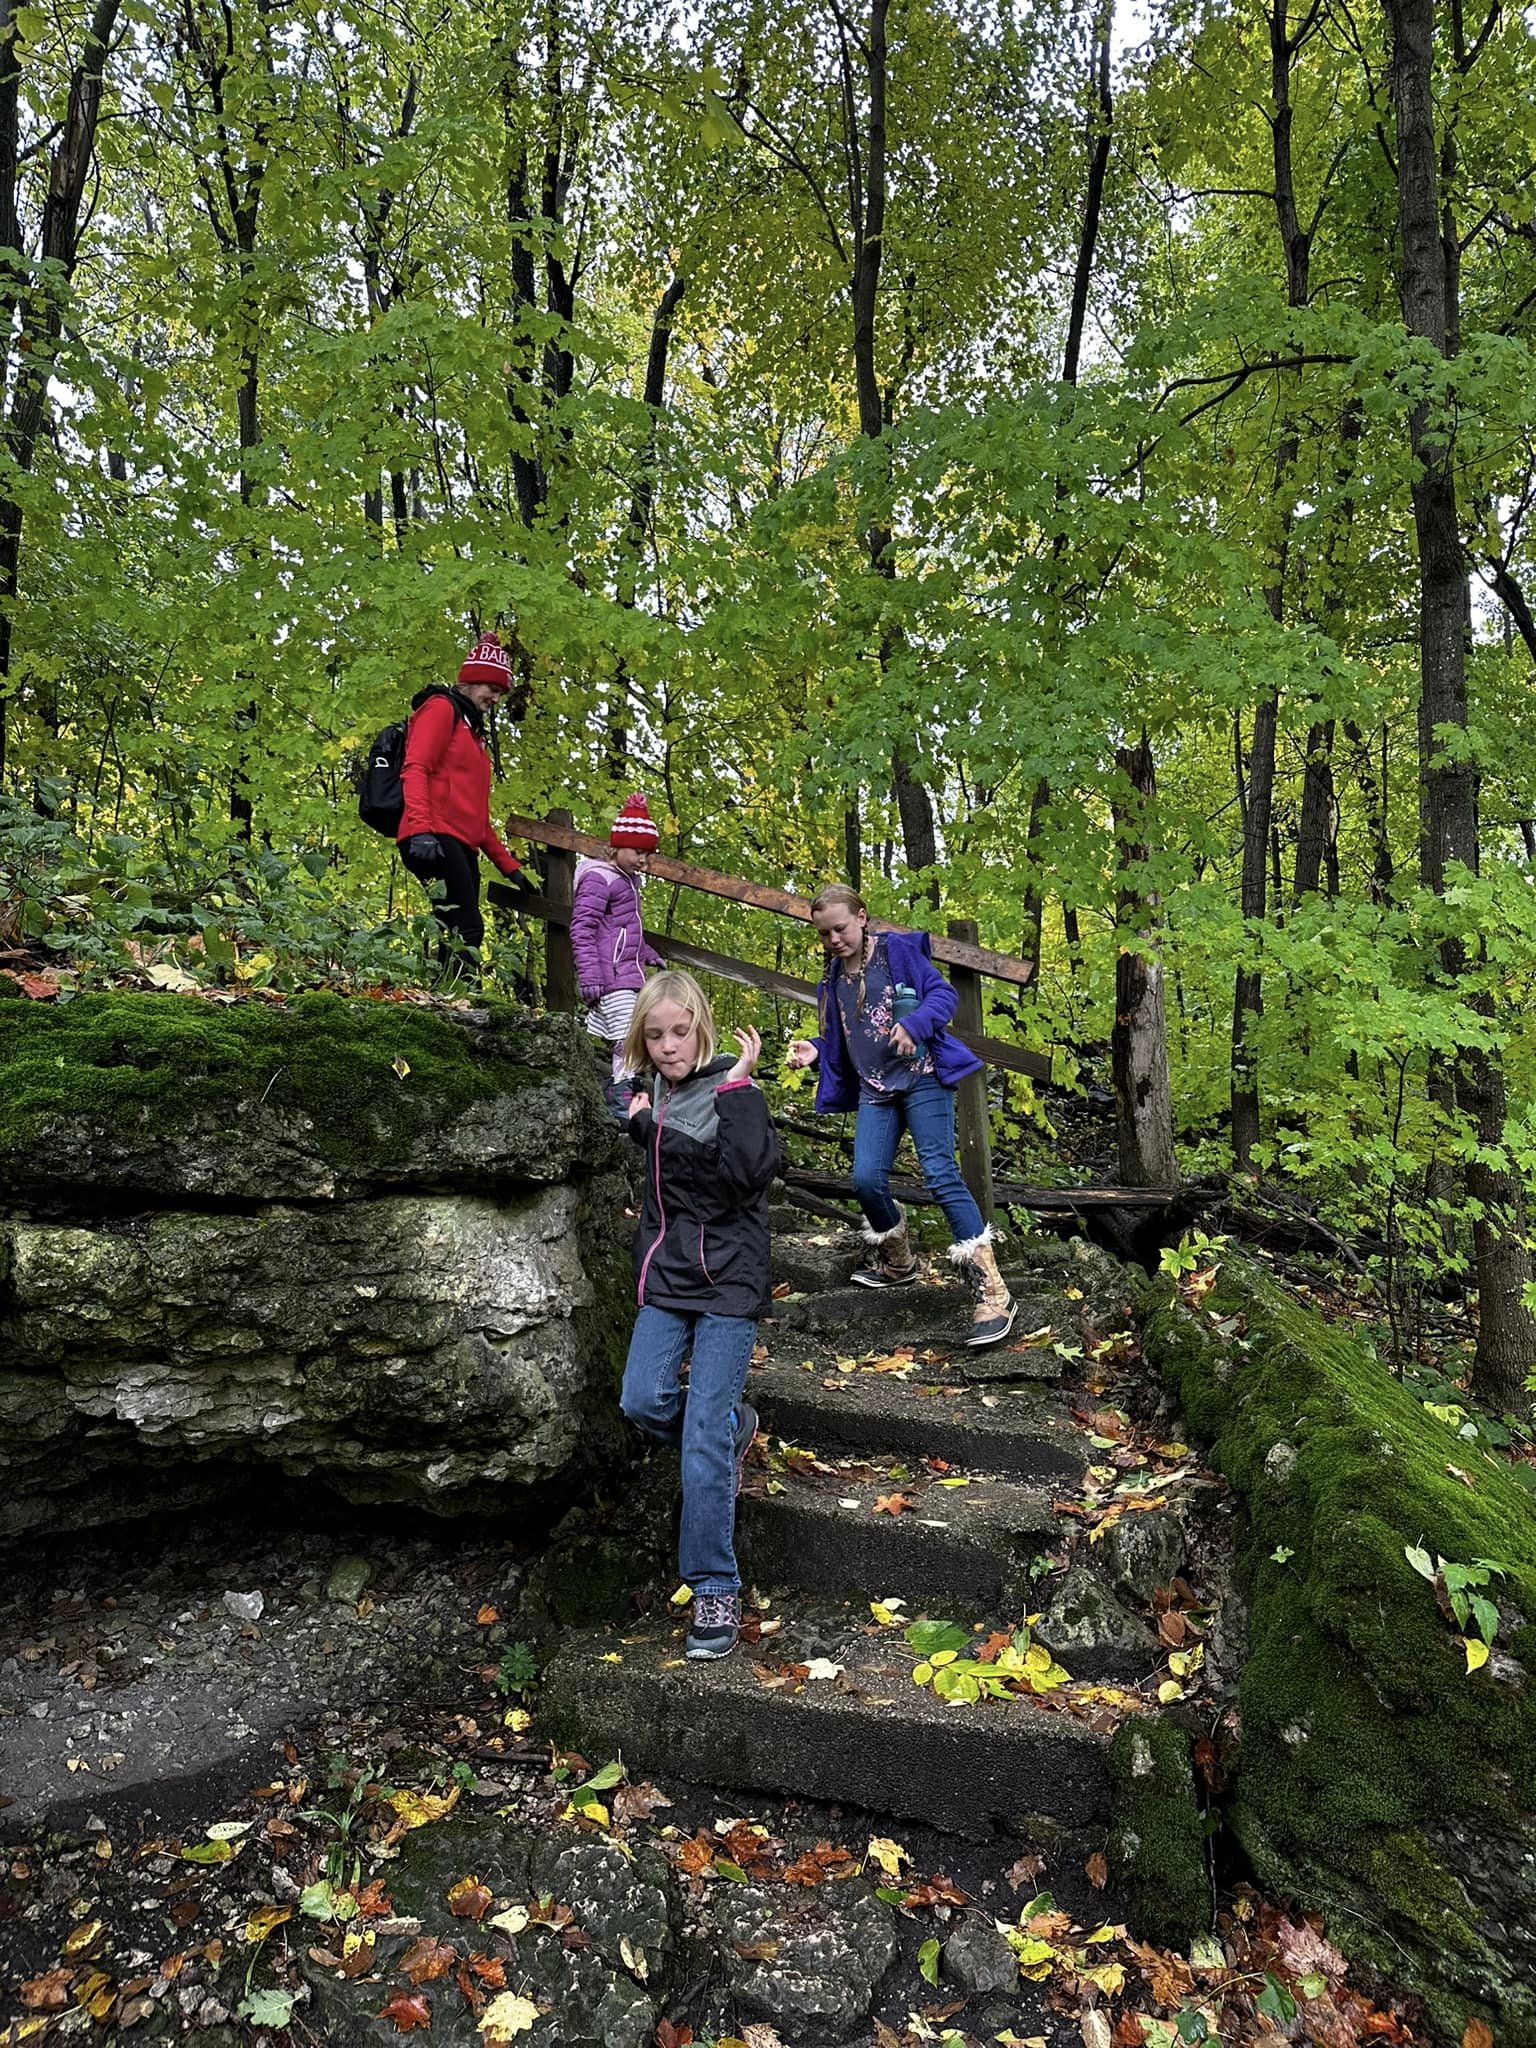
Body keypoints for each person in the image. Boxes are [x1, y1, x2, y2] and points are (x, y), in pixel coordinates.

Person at [619, 971, 782, 1661]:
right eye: (654, 1035)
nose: (667, 1046)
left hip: (730, 1279)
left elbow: (750, 1171)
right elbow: (637, 1120)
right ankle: (731, 1428)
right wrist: (632, 1110)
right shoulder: (649, 1095)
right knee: (641, 1400)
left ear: (701, 1027)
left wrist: (741, 1084)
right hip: (669, 1272)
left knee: (699, 1441)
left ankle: (716, 1585)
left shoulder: (727, 1091)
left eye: (679, 1032)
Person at [786, 882, 1017, 1349]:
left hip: (923, 1078)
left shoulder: (898, 954)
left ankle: (994, 1291)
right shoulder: (831, 981)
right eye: (824, 934)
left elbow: (943, 997)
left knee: (939, 1171)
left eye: (840, 928)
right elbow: (843, 1037)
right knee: (866, 1178)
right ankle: (898, 1262)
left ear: (862, 917)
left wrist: (913, 1025)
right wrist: (815, 1047)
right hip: (875, 1089)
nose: (834, 940)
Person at [397, 631, 532, 973]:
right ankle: (462, 1006)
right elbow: (415, 769)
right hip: (434, 835)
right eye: (492, 689)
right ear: (471, 683)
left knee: (456, 928)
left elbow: (476, 818)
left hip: (460, 841)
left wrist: (510, 868)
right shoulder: (441, 710)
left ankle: (448, 1000)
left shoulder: (474, 733)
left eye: (500, 692)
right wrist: (420, 829)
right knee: (465, 928)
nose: (496, 698)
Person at [571, 792, 666, 1120]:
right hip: (608, 977)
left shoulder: (628, 881)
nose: (644, 860)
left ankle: (632, 1094)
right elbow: (583, 928)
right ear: (618, 846)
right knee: (627, 1036)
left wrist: (647, 953)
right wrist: (590, 975)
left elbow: (623, 930)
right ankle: (622, 1098)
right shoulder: (600, 878)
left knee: (636, 1034)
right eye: (639, 852)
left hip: (627, 973)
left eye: (648, 854)